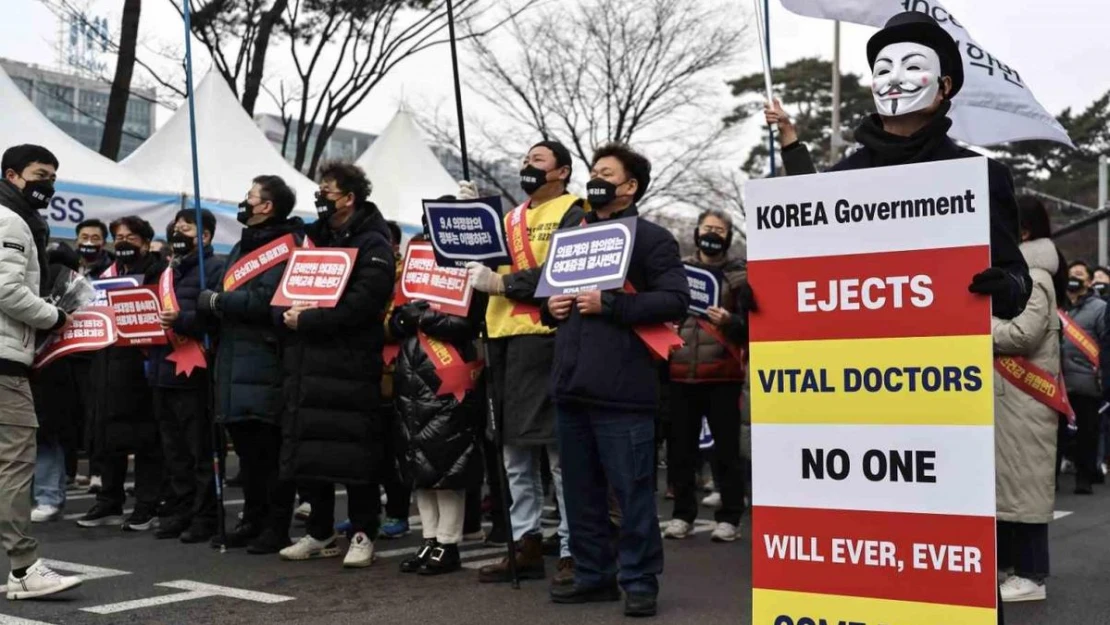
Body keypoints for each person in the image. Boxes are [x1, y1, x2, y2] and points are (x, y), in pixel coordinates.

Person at [764, 11, 1031, 322]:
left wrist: (1006, 287)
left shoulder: (983, 178)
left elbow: (1018, 279)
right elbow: (805, 263)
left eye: (913, 66)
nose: (894, 79)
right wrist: (763, 294)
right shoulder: (842, 179)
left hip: (945, 360)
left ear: (944, 87)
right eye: (884, 69)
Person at [543, 143, 689, 617]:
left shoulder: (652, 239)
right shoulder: (572, 231)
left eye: (606, 173)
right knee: (581, 493)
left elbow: (674, 301)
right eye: (593, 172)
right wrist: (553, 307)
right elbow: (551, 298)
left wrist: (611, 305)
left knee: (632, 493)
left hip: (624, 392)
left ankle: (640, 580)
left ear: (629, 187)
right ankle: (593, 576)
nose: (596, 179)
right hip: (571, 387)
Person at [469, 141, 587, 586]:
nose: (527, 167)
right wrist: (466, 218)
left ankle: (573, 547)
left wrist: (502, 282)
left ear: (562, 171)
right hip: (502, 339)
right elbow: (470, 262)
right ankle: (526, 543)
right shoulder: (509, 218)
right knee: (514, 451)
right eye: (525, 160)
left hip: (548, 339)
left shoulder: (574, 212)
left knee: (559, 453)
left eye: (537, 161)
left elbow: (563, 268)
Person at [278, 162, 395, 568]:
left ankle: (363, 531)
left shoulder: (374, 243)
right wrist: (290, 313)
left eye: (327, 190)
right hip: (308, 364)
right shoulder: (314, 239)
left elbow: (364, 304)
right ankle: (320, 531)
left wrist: (309, 320)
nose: (320, 196)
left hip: (349, 363)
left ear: (349, 198)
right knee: (313, 452)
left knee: (355, 454)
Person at [198, 176, 304, 554]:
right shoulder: (245, 244)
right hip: (234, 360)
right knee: (247, 454)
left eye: (250, 197)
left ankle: (276, 525)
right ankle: (253, 518)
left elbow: (266, 300)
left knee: (268, 451)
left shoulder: (287, 247)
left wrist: (217, 303)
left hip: (265, 359)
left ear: (267, 206)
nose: (244, 202)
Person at [0, 144, 82, 598]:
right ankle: (23, 568)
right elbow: (7, 290)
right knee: (15, 466)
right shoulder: (11, 221)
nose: (47, 184)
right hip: (5, 362)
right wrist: (55, 317)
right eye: (39, 174)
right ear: (12, 175)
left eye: (53, 175)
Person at [392, 255, 488, 575]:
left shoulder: (468, 273)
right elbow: (397, 321)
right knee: (419, 467)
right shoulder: (417, 269)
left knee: (447, 466)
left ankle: (448, 542)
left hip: (448, 380)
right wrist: (409, 317)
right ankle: (430, 538)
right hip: (412, 383)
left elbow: (467, 324)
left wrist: (421, 318)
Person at [994, 197, 1067, 602]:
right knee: (1009, 489)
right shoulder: (1017, 274)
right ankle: (1010, 568)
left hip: (1026, 400)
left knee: (1026, 489)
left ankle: (1032, 575)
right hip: (1011, 401)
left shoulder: (1035, 275)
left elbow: (1024, 334)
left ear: (1022, 231)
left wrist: (978, 326)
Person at [663, 208, 751, 543]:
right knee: (681, 451)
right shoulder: (678, 272)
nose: (711, 234)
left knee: (726, 451)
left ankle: (730, 517)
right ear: (696, 232)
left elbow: (753, 327)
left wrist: (729, 320)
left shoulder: (739, 275)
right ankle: (682, 515)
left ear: (728, 236)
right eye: (706, 228)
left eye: (719, 229)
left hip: (723, 376)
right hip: (680, 373)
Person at [77, 216, 165, 532]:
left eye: (130, 236)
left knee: (144, 439)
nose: (123, 242)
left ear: (144, 240)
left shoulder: (159, 272)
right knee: (107, 436)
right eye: (118, 237)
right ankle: (108, 500)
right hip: (107, 363)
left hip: (141, 363)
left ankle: (146, 504)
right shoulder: (107, 275)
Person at [148, 209, 226, 543]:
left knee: (199, 449)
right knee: (174, 449)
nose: (178, 232)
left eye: (186, 228)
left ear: (204, 235)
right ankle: (180, 510)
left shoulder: (216, 269)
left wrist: (182, 320)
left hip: (197, 371)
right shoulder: (168, 270)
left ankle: (205, 514)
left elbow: (216, 316)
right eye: (175, 228)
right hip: (163, 369)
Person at [30, 243, 83, 523]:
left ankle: (48, 495)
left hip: (48, 366)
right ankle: (42, 495)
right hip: (39, 367)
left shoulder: (58, 278)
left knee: (44, 435)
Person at [377, 219, 415, 540]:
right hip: (368, 370)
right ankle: (369, 514)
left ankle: (398, 512)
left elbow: (400, 322)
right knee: (371, 449)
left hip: (398, 370)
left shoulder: (406, 275)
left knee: (396, 448)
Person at [1060, 260, 1110, 494]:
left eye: (1079, 274)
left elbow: (1105, 342)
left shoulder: (1099, 308)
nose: (1074, 278)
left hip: (1086, 382)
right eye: (1071, 274)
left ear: (1089, 282)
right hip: (1056, 381)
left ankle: (1084, 477)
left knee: (1087, 434)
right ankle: (1052, 479)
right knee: (1056, 434)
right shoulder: (1058, 306)